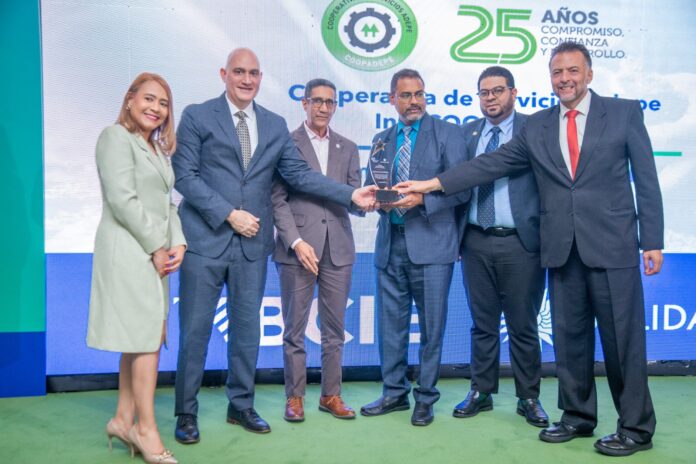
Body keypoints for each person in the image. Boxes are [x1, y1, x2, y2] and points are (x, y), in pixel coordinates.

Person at [397, 42, 662, 456]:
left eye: (572, 71)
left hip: (612, 246)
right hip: (560, 249)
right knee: (569, 338)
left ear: (589, 74)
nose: (564, 79)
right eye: (557, 72)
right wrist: (432, 184)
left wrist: (654, 241)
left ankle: (635, 428)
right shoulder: (538, 126)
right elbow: (490, 164)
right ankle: (577, 417)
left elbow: (646, 179)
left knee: (622, 343)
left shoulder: (623, 112)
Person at [172, 48, 375, 442]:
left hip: (252, 246)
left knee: (247, 332)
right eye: (239, 72)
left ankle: (241, 405)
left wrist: (349, 194)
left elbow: (298, 174)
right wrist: (229, 214)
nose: (247, 80)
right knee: (195, 332)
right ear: (224, 74)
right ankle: (186, 413)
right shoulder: (197, 116)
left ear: (261, 78)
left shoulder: (274, 124)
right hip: (205, 241)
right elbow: (185, 176)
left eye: (253, 73)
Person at [359, 69, 470, 426]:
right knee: (390, 327)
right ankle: (394, 393)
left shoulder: (448, 133)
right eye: (406, 95)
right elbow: (371, 183)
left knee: (432, 328)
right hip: (390, 244)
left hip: (433, 246)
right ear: (392, 99)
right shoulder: (381, 139)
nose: (414, 102)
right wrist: (373, 199)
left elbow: (463, 189)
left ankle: (425, 397)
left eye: (419, 94)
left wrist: (423, 200)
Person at [87, 72, 185, 464]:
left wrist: (178, 241)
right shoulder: (115, 138)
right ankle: (145, 430)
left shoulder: (157, 149)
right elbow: (122, 199)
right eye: (148, 99)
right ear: (130, 100)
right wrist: (157, 247)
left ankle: (122, 420)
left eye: (163, 103)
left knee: (141, 337)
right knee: (145, 341)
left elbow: (167, 203)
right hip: (130, 253)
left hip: (154, 254)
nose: (156, 108)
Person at [452, 66, 548, 428]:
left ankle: (529, 397)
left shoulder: (534, 129)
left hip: (521, 243)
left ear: (513, 92)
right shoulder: (467, 134)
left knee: (523, 324)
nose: (490, 98)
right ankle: (481, 391)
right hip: (475, 240)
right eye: (484, 92)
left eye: (497, 90)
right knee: (482, 323)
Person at [272, 78, 361, 422]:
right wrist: (295, 241)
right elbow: (277, 199)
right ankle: (294, 397)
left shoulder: (348, 147)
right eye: (318, 101)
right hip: (298, 249)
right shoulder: (285, 143)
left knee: (334, 331)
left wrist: (373, 199)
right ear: (305, 103)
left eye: (330, 102)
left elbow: (353, 198)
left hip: (338, 248)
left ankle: (331, 395)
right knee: (294, 330)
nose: (324, 108)